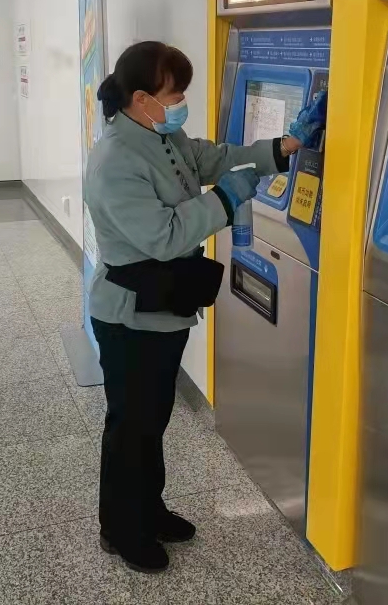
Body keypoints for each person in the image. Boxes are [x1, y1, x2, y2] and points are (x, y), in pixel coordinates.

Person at [84, 40, 327, 573]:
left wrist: (285, 146)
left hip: (162, 306)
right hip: (129, 316)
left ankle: (148, 509)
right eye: (175, 95)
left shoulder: (159, 135)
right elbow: (166, 235)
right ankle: (121, 530)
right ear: (142, 98)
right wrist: (226, 198)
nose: (181, 104)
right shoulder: (115, 161)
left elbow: (213, 157)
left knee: (153, 419)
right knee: (132, 426)